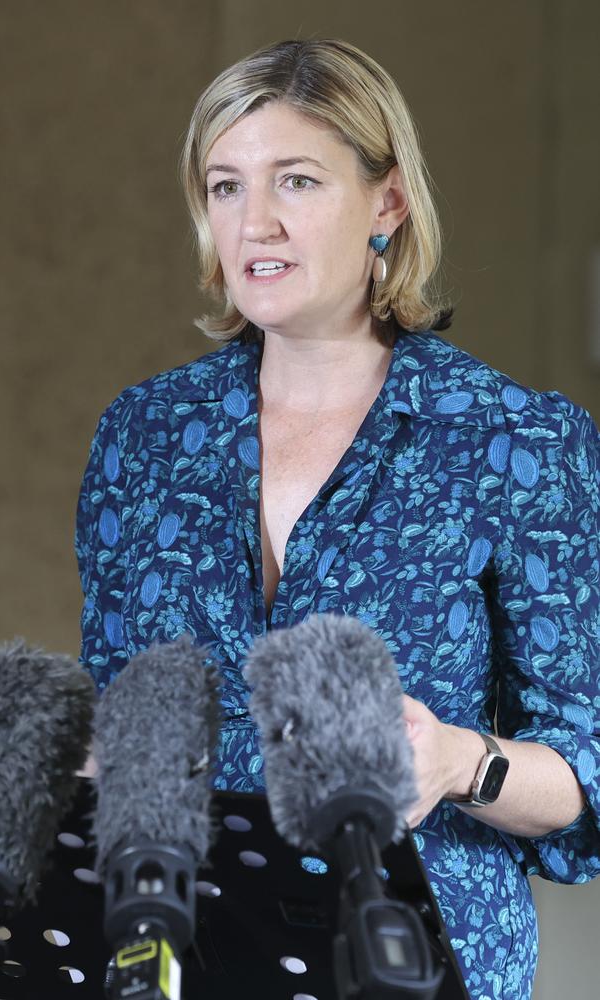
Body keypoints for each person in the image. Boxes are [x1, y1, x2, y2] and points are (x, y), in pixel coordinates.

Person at [75, 38, 600, 1000]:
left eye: (298, 181)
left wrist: (456, 762)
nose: (255, 222)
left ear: (388, 202)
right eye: (225, 187)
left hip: (413, 962)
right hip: (177, 960)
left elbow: (585, 771)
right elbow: (124, 723)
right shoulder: (142, 437)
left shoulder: (515, 442)